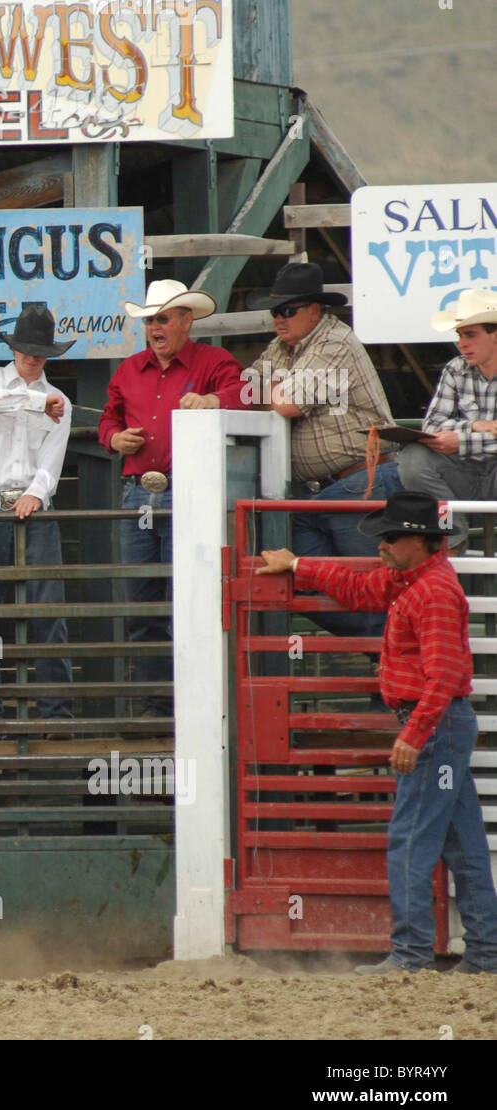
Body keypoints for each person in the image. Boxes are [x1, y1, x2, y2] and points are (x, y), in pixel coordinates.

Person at [258, 490, 497, 974]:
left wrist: (412, 735)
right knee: (460, 841)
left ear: (420, 541)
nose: (382, 545)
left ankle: (410, 956)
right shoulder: (419, 580)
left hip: (431, 727)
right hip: (442, 727)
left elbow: (445, 674)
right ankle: (486, 955)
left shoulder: (429, 592)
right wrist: (300, 565)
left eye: (390, 538)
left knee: (410, 838)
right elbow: (360, 589)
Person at [97, 279, 246, 716]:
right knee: (144, 600)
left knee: (191, 597)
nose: (154, 328)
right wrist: (114, 438)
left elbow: (244, 396)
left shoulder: (214, 361)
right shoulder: (128, 370)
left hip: (190, 490)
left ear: (185, 321)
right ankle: (157, 703)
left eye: (162, 319)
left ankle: (195, 702)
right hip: (141, 491)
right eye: (149, 321)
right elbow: (108, 419)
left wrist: (213, 398)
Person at [246, 262, 402, 637]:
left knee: (368, 591)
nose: (278, 320)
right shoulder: (287, 345)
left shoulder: (334, 339)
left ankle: (390, 678)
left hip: (359, 483)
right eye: (274, 312)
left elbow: (286, 403)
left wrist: (266, 392)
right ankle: (380, 657)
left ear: (314, 310)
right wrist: (268, 392)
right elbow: (248, 387)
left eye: (287, 311)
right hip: (320, 491)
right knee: (307, 584)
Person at [0, 304, 74, 740]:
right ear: (13, 349)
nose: (32, 358)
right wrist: (34, 400)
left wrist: (34, 493)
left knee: (48, 612)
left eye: (40, 352)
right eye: (26, 350)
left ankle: (56, 717)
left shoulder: (60, 402)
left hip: (30, 507)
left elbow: (52, 462)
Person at [397, 288, 497, 549]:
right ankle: (450, 536)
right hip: (466, 471)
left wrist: (459, 442)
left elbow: (442, 427)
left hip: (479, 470)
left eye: (470, 335)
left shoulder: (456, 369)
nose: (462, 343)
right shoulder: (455, 368)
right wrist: (475, 425)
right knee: (412, 457)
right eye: (460, 335)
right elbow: (432, 425)